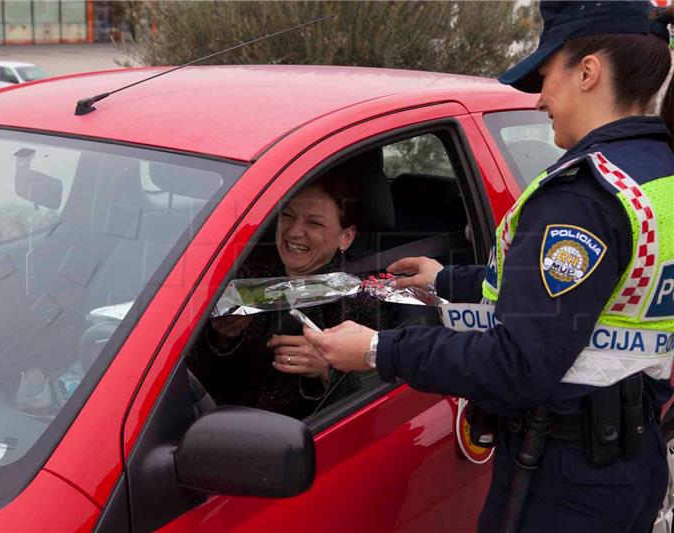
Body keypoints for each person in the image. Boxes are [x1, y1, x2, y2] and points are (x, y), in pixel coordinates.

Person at [304, 2, 674, 531]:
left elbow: (516, 367)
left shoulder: (583, 197)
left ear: (588, 72)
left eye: (546, 76)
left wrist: (375, 349)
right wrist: (445, 280)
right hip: (628, 463)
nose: (541, 98)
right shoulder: (657, 176)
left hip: (563, 480)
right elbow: (587, 298)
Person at [186, 171, 396, 419]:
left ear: (346, 237)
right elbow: (187, 374)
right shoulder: (240, 271)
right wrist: (220, 339)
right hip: (206, 422)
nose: (294, 232)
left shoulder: (364, 295)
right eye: (287, 216)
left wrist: (326, 370)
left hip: (300, 440)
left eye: (314, 223)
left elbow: (379, 396)